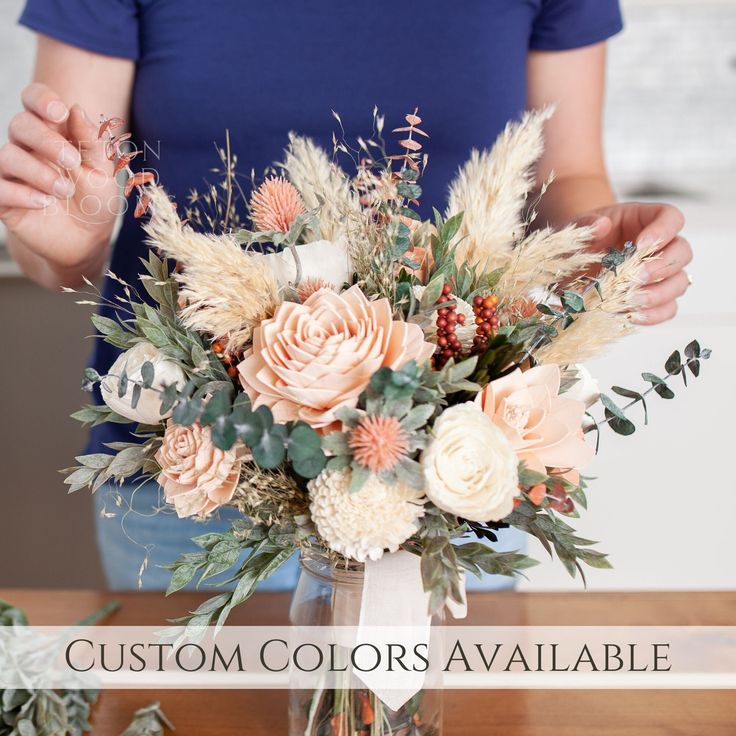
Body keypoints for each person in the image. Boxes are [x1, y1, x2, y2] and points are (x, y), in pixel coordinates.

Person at [2, 1, 692, 592]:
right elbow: (64, 232)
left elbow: (566, 171)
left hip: (450, 463)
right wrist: (70, 239)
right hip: (191, 472)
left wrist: (596, 251)